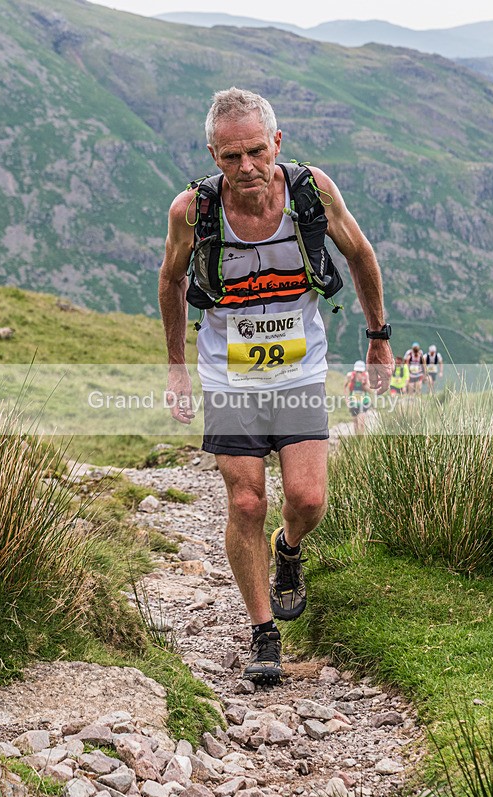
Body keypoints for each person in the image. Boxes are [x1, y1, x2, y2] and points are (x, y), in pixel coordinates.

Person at [158, 87, 393, 685]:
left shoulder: (313, 192)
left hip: (299, 369)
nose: (246, 167)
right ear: (213, 156)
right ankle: (264, 632)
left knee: (308, 499)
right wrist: (176, 365)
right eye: (231, 156)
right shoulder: (192, 211)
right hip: (229, 373)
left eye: (257, 152)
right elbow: (171, 279)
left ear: (277, 143)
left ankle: (287, 549)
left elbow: (360, 254)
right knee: (246, 502)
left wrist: (378, 337)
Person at [344, 360, 372, 434]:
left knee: (361, 422)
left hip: (364, 402)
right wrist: (346, 400)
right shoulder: (350, 376)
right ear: (355, 371)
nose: (359, 373)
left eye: (361, 372)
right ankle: (357, 439)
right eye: (357, 371)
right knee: (355, 422)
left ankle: (362, 439)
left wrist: (363, 383)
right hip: (353, 403)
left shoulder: (366, 377)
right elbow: (345, 388)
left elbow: (370, 390)